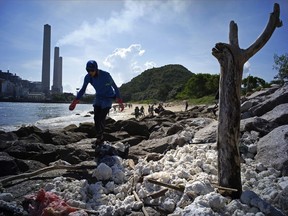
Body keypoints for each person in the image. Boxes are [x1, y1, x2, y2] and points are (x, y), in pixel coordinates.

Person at [69, 60, 124, 146]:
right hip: (98, 97)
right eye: (88, 70)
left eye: (92, 70)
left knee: (101, 118)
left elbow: (115, 88)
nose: (90, 72)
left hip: (108, 98)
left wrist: (120, 101)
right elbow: (83, 89)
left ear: (96, 69)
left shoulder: (106, 75)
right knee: (96, 118)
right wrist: (75, 101)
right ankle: (100, 137)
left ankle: (99, 138)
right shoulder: (88, 77)